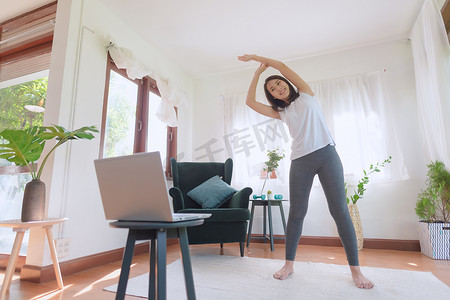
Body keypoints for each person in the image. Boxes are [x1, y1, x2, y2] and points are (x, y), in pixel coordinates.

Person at [238, 54, 374, 289]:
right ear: (271, 95)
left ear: (286, 83)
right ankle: (289, 265)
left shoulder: (306, 93)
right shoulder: (280, 112)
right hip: (300, 161)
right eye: (271, 89)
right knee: (297, 213)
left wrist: (259, 60)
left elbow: (281, 66)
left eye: (279, 83)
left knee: (340, 211)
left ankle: (356, 271)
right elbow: (250, 102)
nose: (277, 88)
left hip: (327, 155)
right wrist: (256, 74)